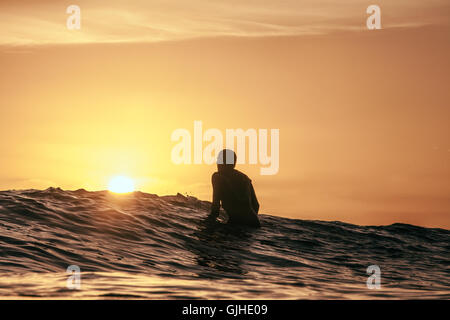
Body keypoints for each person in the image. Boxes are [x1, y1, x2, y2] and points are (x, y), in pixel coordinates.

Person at [208, 149, 260, 228]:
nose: (217, 163)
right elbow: (256, 205)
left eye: (219, 160)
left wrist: (207, 224)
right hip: (254, 222)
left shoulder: (218, 177)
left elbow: (215, 207)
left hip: (237, 223)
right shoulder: (245, 178)